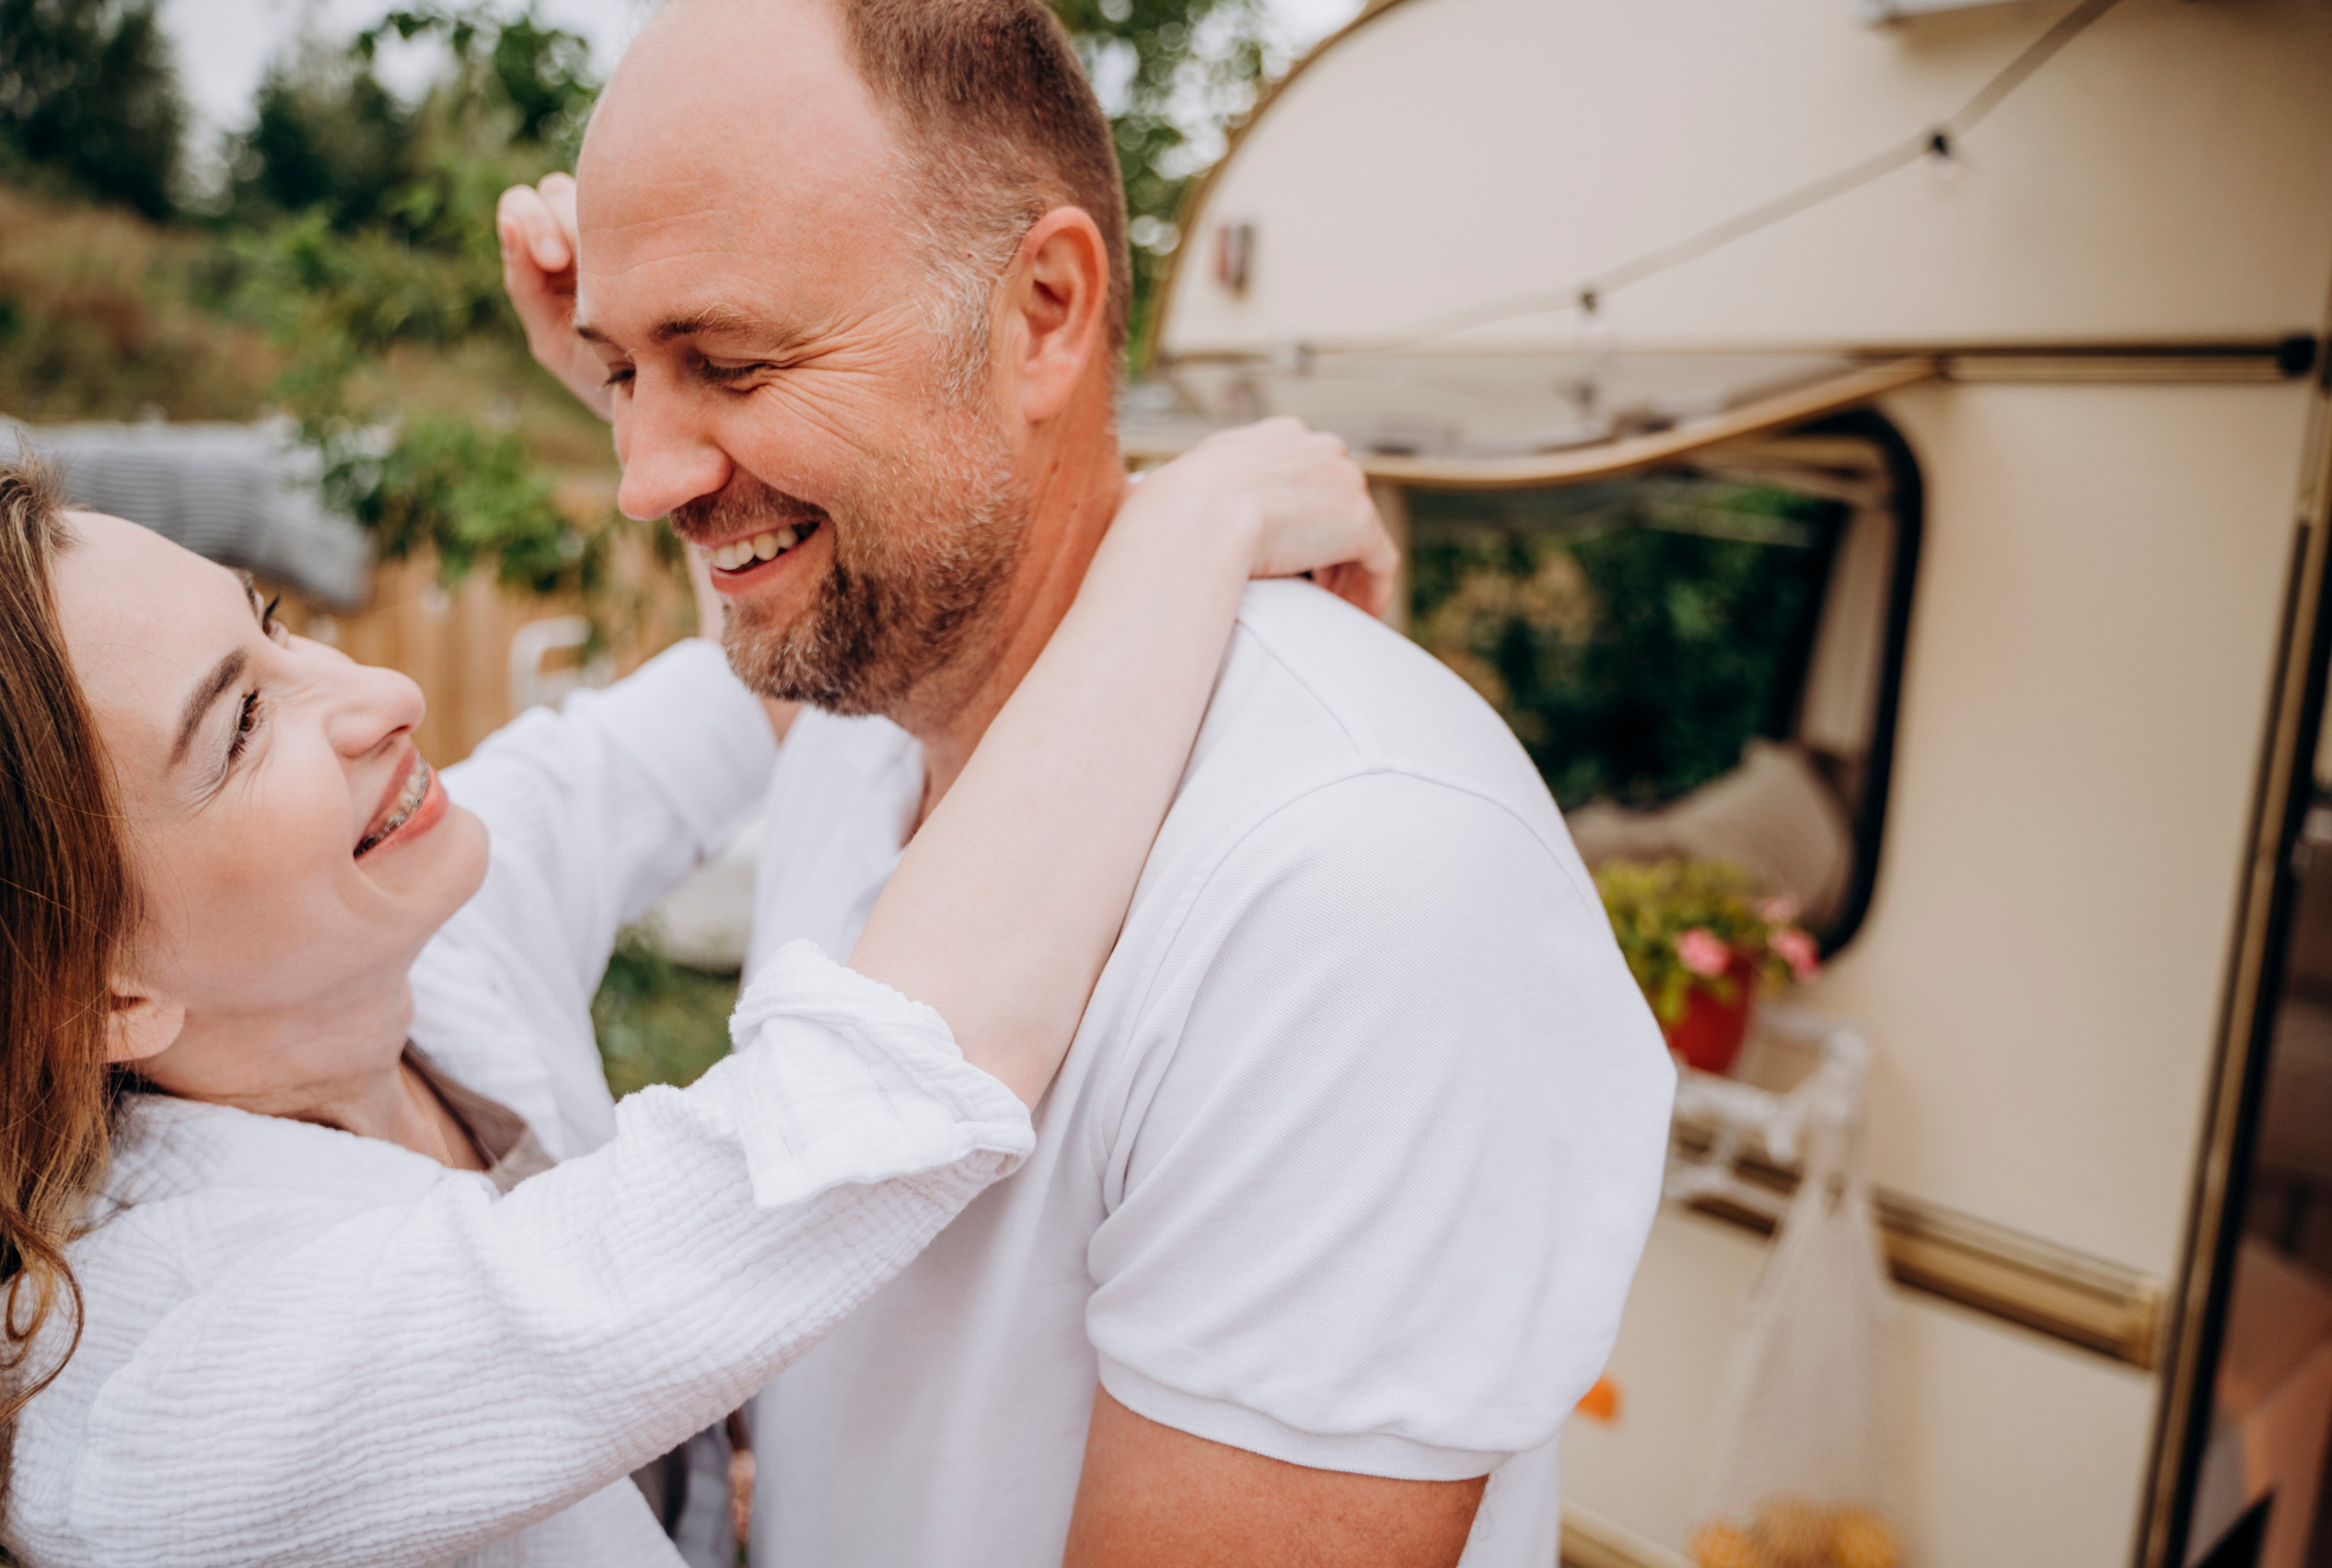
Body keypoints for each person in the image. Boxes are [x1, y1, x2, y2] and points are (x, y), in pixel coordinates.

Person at [496, 1, 1677, 1563]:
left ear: (1043, 313)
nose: (643, 477)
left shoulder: (1353, 879)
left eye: (728, 360)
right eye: (622, 376)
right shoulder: (863, 714)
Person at [0, 419, 1394, 1567]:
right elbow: (875, 1090)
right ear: (100, 998)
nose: (381, 691)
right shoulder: (150, 1387)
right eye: (243, 725)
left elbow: (740, 701)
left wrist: (683, 407)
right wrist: (1189, 531)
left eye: (277, 625)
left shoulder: (398, 953)